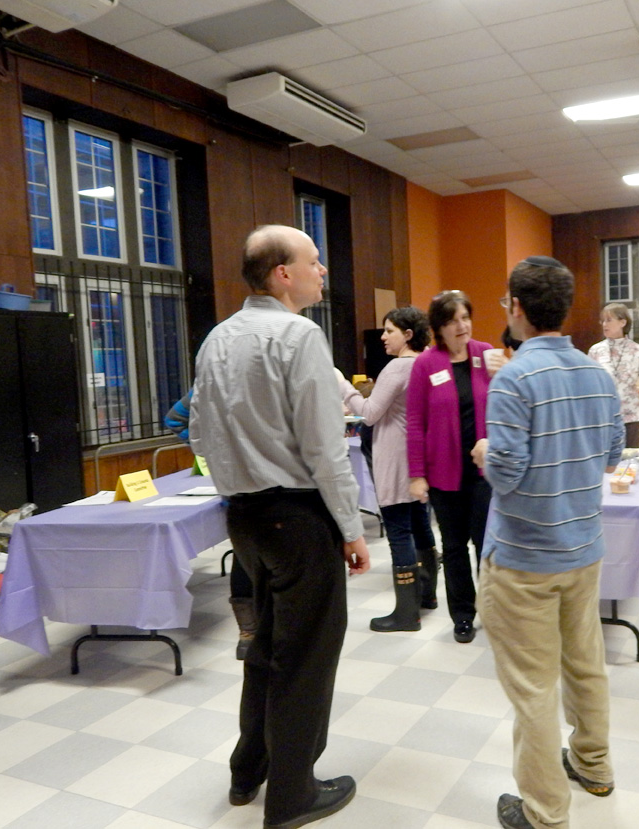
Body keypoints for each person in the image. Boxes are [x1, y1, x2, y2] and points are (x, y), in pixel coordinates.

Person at [190, 224, 370, 829]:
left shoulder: (217, 338)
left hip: (245, 517)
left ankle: (250, 769)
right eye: (314, 262)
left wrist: (233, 481)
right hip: (296, 516)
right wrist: (350, 526)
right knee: (307, 655)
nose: (324, 271)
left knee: (266, 646)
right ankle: (292, 793)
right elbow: (325, 447)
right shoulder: (298, 335)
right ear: (282, 274)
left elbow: (198, 429)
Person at [473, 256, 623, 829]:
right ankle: (594, 765)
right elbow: (611, 456)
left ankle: (544, 814)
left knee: (534, 690)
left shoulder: (513, 378)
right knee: (586, 665)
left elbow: (506, 474)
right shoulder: (596, 374)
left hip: (523, 561)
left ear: (516, 307)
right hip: (582, 550)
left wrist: (486, 452)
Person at [338, 306, 439, 631]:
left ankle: (406, 614)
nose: (382, 337)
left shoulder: (397, 368)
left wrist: (344, 387)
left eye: (389, 330)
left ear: (407, 335)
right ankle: (427, 597)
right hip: (417, 455)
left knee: (397, 529)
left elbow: (368, 414)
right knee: (420, 524)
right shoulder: (427, 363)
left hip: (395, 455)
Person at [406, 290, 494, 644]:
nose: (462, 326)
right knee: (455, 546)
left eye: (466, 317)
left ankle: (494, 609)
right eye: (452, 320)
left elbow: (506, 405)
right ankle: (462, 615)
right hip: (444, 474)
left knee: (487, 545)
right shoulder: (426, 364)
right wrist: (416, 474)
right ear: (439, 328)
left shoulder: (486, 355)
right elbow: (414, 422)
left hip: (486, 472)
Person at [163, 389, 255, 659]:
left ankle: (249, 634)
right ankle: (250, 632)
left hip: (238, 481)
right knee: (250, 554)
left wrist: (209, 449)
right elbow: (174, 419)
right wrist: (207, 449)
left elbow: (174, 420)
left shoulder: (209, 380)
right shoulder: (210, 383)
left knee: (245, 553)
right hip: (255, 483)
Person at [587, 303, 639, 449]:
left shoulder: (637, 350)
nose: (604, 324)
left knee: (630, 463)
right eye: (602, 321)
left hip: (630, 417)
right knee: (605, 463)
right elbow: (587, 384)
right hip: (603, 417)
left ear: (623, 322)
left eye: (609, 320)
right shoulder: (596, 350)